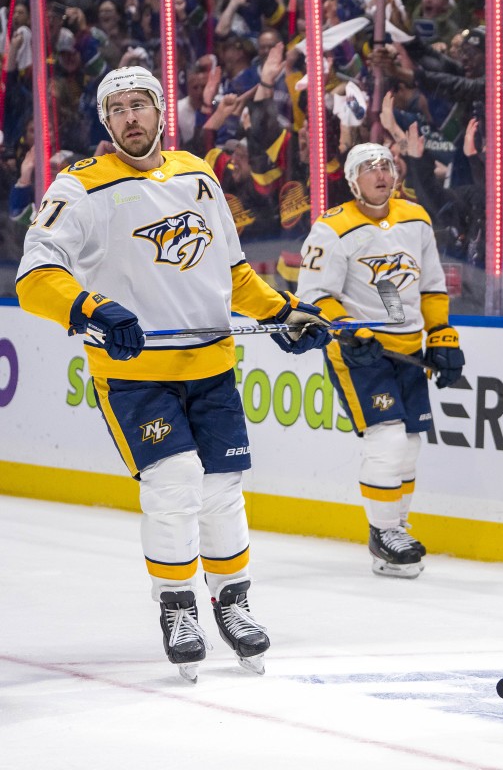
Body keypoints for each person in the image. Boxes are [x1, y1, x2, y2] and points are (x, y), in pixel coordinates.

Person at [14, 66, 332, 681]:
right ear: (105, 122)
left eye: (140, 104)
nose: (130, 116)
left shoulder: (198, 174)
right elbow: (35, 275)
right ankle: (178, 607)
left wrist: (283, 313)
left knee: (222, 489)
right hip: (135, 375)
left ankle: (232, 602)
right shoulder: (79, 187)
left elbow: (232, 272)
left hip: (211, 366)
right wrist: (92, 307)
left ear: (161, 112)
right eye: (117, 108)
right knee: (174, 482)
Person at [295, 142, 464, 578]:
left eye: (386, 166)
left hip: (407, 349)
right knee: (386, 440)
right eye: (369, 168)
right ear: (353, 181)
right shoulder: (332, 228)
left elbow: (431, 285)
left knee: (409, 444)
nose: (381, 174)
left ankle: (396, 530)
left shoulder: (416, 218)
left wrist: (441, 334)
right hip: (359, 353)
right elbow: (314, 296)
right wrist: (348, 328)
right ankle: (384, 531)